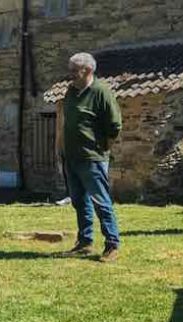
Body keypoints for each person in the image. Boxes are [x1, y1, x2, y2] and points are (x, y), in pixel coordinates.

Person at [56, 52, 123, 262]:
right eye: (70, 70)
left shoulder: (101, 92)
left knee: (101, 202)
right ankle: (84, 242)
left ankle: (112, 244)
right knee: (79, 201)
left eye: (74, 70)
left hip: (92, 158)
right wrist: (61, 148)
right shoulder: (70, 91)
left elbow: (115, 125)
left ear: (88, 70)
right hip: (72, 157)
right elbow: (66, 121)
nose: (70, 74)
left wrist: (103, 148)